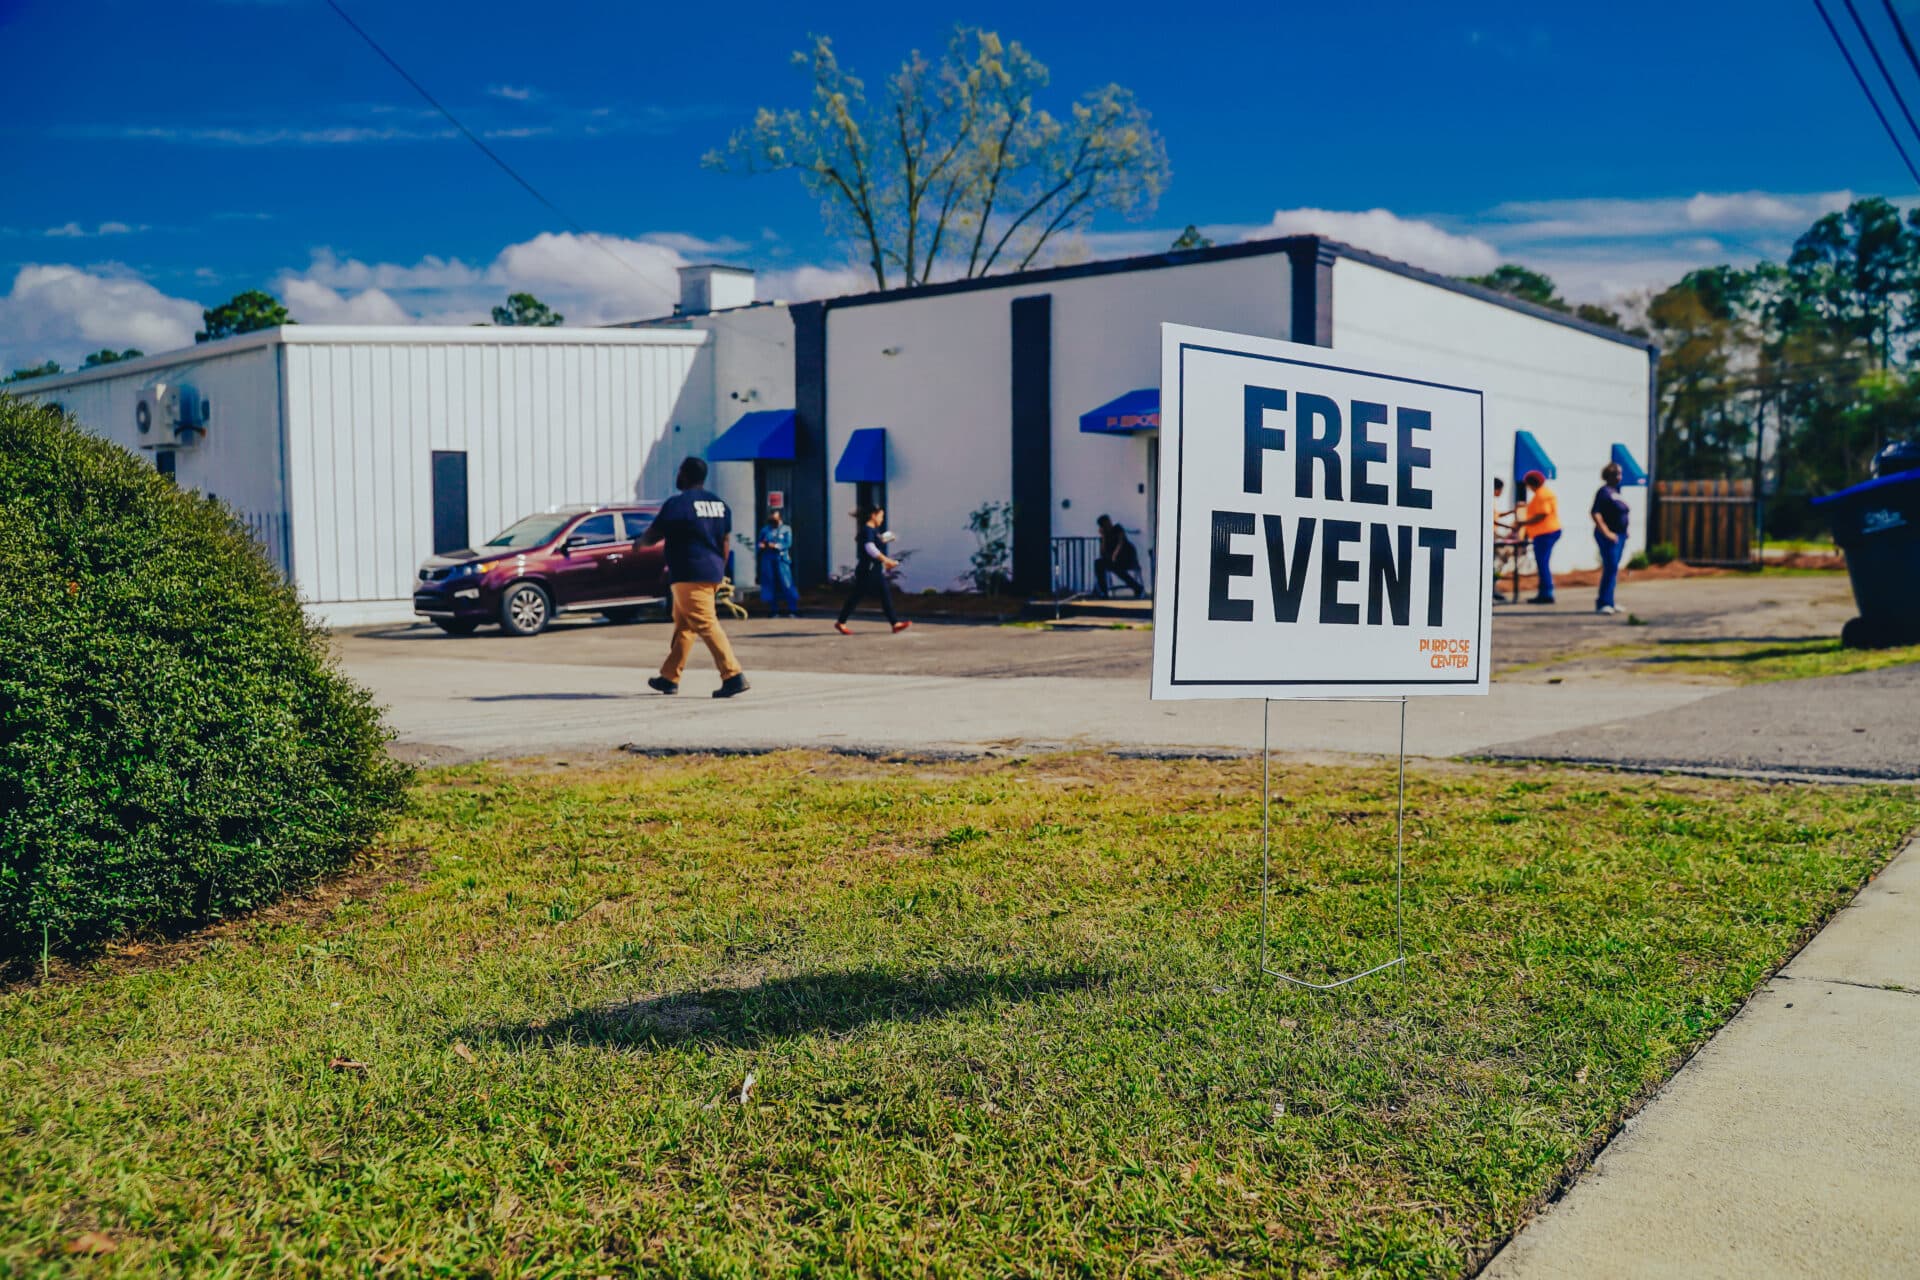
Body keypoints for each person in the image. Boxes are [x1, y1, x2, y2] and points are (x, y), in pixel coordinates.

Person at [638, 457, 748, 697]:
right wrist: (721, 569)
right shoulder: (720, 505)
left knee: (706, 623)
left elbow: (654, 534)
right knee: (685, 625)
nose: (677, 476)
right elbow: (725, 541)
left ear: (685, 475)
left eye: (679, 472)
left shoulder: (678, 504)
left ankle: (733, 675)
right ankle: (669, 677)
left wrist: (639, 544)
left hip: (688, 573)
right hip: (711, 571)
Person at [834, 505, 911, 635]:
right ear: (873, 515)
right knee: (868, 595)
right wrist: (886, 560)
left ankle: (841, 622)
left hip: (871, 569)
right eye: (881, 516)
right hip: (868, 569)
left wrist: (887, 538)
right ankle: (894, 623)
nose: (882, 519)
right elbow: (870, 548)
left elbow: (876, 541)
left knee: (863, 595)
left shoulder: (871, 531)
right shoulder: (867, 530)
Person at [1515, 469, 1561, 604]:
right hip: (1545, 532)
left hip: (1545, 533)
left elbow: (1542, 514)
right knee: (1543, 563)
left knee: (1543, 563)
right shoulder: (1542, 493)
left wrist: (1523, 523)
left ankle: (1546, 593)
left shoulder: (1541, 495)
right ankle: (1544, 592)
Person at [1591, 461, 1630, 615]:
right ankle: (1603, 602)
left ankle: (1610, 601)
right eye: (1617, 474)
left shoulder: (1616, 491)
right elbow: (1596, 513)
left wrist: (1625, 531)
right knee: (1610, 566)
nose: (1620, 477)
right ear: (1610, 475)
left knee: (1613, 569)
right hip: (1608, 536)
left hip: (1620, 536)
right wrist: (1606, 532)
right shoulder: (1604, 492)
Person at [755, 508, 799, 618]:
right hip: (768, 559)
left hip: (781, 559)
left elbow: (788, 543)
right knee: (770, 584)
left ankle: (793, 609)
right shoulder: (765, 530)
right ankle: (773, 610)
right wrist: (761, 546)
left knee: (787, 583)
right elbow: (759, 543)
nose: (773, 522)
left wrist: (775, 546)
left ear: (780, 519)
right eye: (771, 520)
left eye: (775, 520)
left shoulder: (786, 529)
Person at [1094, 514, 1145, 598]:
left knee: (1116, 567)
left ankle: (1137, 588)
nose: (1108, 524)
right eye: (1105, 524)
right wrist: (1103, 537)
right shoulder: (1105, 536)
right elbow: (1103, 553)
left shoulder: (1118, 528)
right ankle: (1103, 591)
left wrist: (1114, 556)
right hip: (1116, 562)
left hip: (1127, 558)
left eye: (1108, 522)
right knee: (1098, 563)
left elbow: (1120, 544)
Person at [1491, 477, 1513, 603]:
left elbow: (1496, 515)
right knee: (1496, 562)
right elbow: (1492, 519)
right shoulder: (1488, 499)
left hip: (1494, 533)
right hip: (1491, 535)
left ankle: (1494, 589)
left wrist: (1511, 511)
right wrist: (1509, 527)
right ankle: (1492, 590)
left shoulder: (1492, 501)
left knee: (1497, 563)